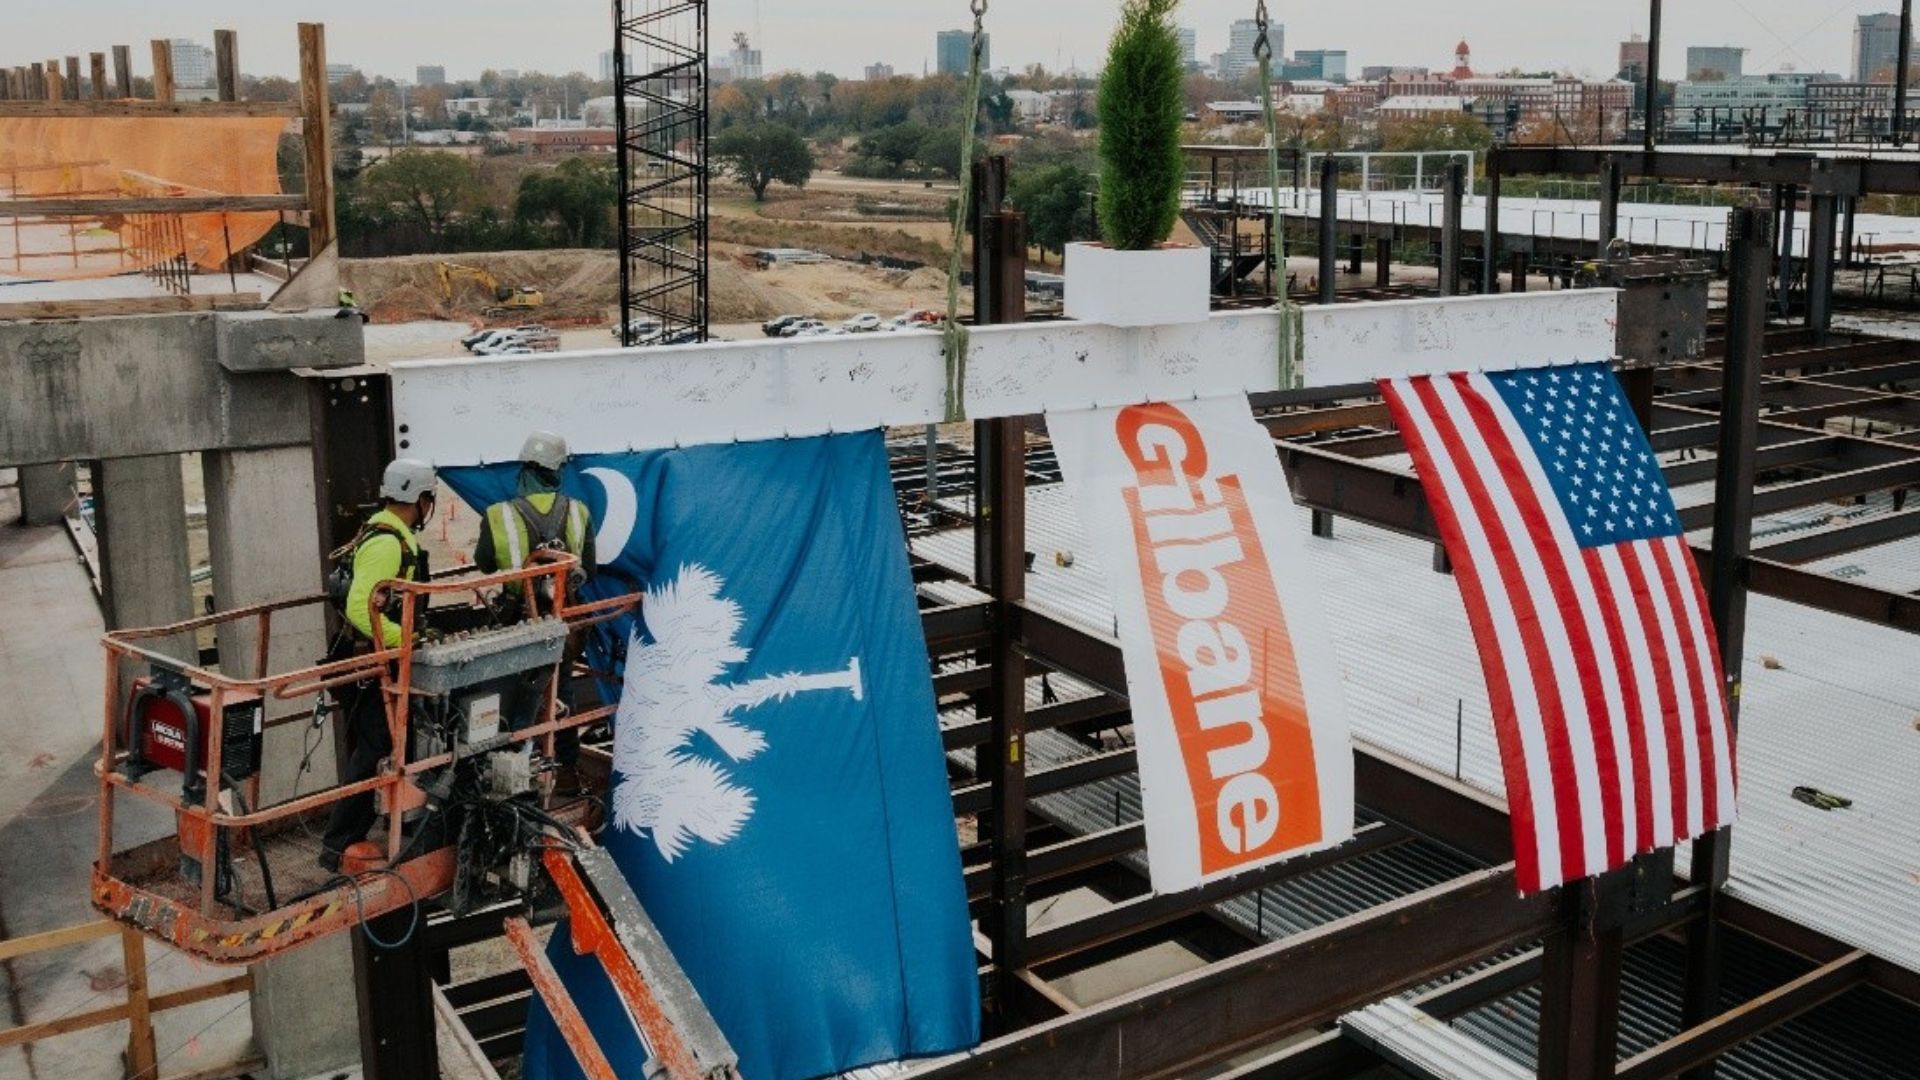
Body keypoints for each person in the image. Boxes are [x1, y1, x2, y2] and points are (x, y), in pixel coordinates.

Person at [319, 458, 437, 872]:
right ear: (420, 499)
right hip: (370, 661)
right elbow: (359, 606)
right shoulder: (388, 543)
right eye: (428, 499)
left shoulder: (387, 532)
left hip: (374, 657)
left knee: (387, 744)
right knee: (375, 748)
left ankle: (380, 827)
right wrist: (405, 638)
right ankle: (339, 844)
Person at [473, 431, 594, 789]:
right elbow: (590, 569)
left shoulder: (498, 515)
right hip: (563, 622)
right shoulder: (578, 512)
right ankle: (565, 770)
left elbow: (484, 564)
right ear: (558, 471)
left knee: (511, 696)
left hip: (516, 623)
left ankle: (512, 774)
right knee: (561, 690)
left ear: (524, 469)